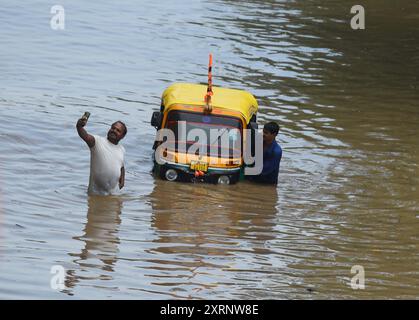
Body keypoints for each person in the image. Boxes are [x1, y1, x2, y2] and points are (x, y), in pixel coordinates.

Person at [76, 115, 127, 195]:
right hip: (96, 194)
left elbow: (121, 165)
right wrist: (79, 126)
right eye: (113, 128)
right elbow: (85, 136)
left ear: (123, 136)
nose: (114, 131)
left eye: (118, 130)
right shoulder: (97, 141)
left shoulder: (121, 149)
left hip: (113, 194)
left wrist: (122, 179)